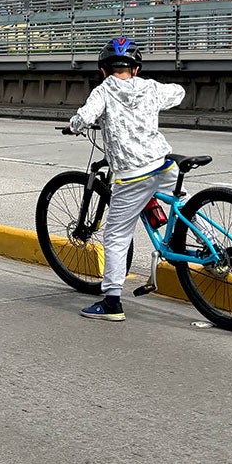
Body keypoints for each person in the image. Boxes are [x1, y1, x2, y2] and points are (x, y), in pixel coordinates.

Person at [67, 37, 186, 322]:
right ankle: (209, 248)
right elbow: (179, 92)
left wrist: (74, 125)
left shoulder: (103, 91)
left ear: (104, 70)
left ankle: (111, 303)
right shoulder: (150, 86)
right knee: (183, 204)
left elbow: (84, 118)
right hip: (164, 163)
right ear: (136, 69)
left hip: (132, 175)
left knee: (117, 235)